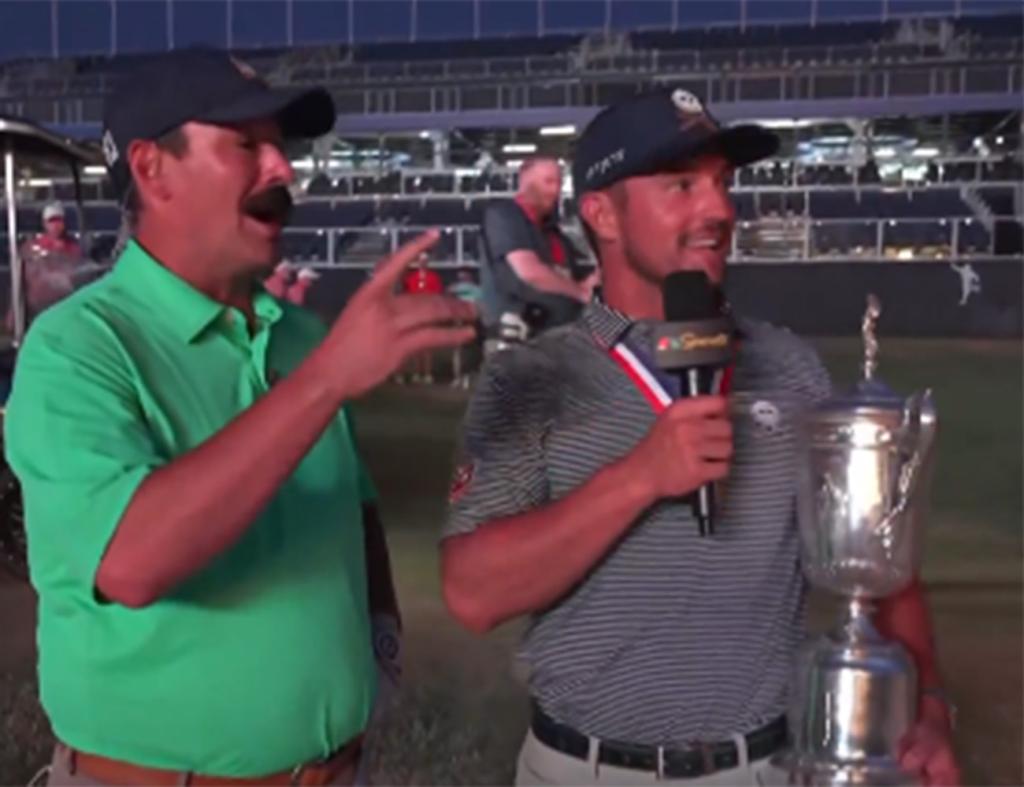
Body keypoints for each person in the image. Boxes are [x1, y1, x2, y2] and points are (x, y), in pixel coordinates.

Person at [441, 87, 959, 787]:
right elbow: (473, 592)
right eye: (680, 185)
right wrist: (638, 477)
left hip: (763, 766)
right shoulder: (528, 379)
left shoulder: (789, 367)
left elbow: (878, 557)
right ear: (602, 213)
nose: (718, 210)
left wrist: (927, 703)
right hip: (584, 770)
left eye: (721, 183)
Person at [5, 48, 476, 787]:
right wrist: (323, 381)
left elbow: (353, 508)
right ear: (153, 168)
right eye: (245, 144)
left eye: (279, 146)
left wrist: (379, 639)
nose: (282, 169)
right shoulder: (74, 348)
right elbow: (131, 560)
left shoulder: (298, 336)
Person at [478, 156, 599, 340]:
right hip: (520, 336)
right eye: (548, 181)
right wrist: (581, 292)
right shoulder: (505, 215)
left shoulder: (555, 234)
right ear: (525, 180)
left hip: (562, 335)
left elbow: (576, 277)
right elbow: (530, 272)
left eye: (559, 182)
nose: (555, 190)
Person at [401, 253, 444, 384]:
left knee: (427, 347)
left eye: (425, 261)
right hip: (415, 315)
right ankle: (416, 373)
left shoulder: (434, 277)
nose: (422, 263)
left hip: (428, 314)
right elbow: (407, 295)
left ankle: (427, 373)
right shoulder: (410, 278)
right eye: (420, 261)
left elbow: (438, 294)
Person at [446, 268, 483, 388]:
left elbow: (479, 306)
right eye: (460, 277)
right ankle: (458, 377)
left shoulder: (476, 290)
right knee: (459, 350)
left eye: (464, 276)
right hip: (459, 321)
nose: (462, 279)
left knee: (469, 350)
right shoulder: (455, 289)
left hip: (471, 322)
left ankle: (466, 376)